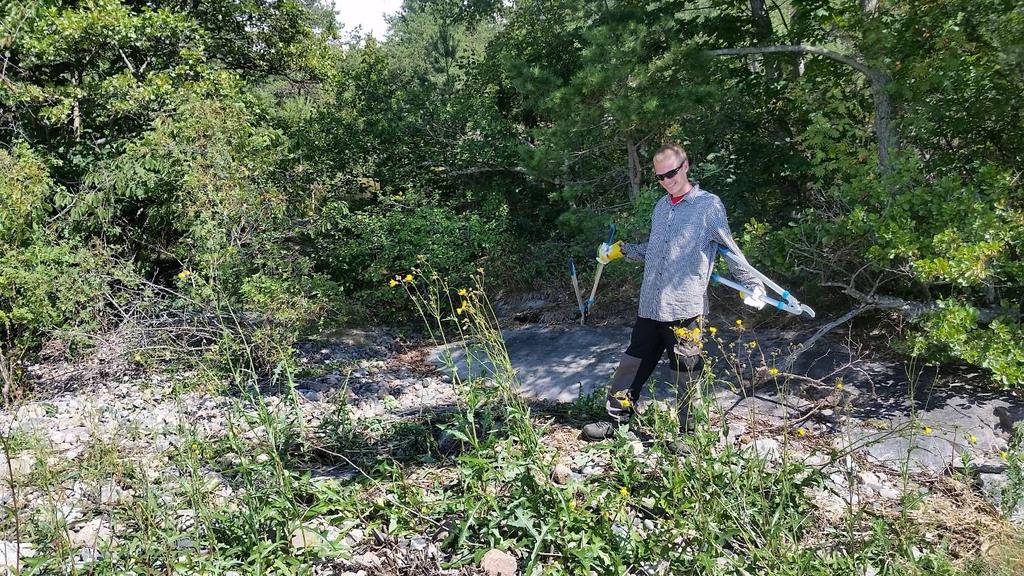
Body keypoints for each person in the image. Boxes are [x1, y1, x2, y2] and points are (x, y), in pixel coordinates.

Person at [582, 143, 766, 441]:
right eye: (660, 177)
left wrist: (752, 284)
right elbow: (654, 251)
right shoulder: (661, 207)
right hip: (651, 305)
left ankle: (687, 437)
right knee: (632, 364)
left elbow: (729, 251)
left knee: (686, 373)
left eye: (671, 173)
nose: (667, 181)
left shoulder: (708, 206)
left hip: (685, 309)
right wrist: (620, 251)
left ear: (685, 167)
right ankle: (617, 422)